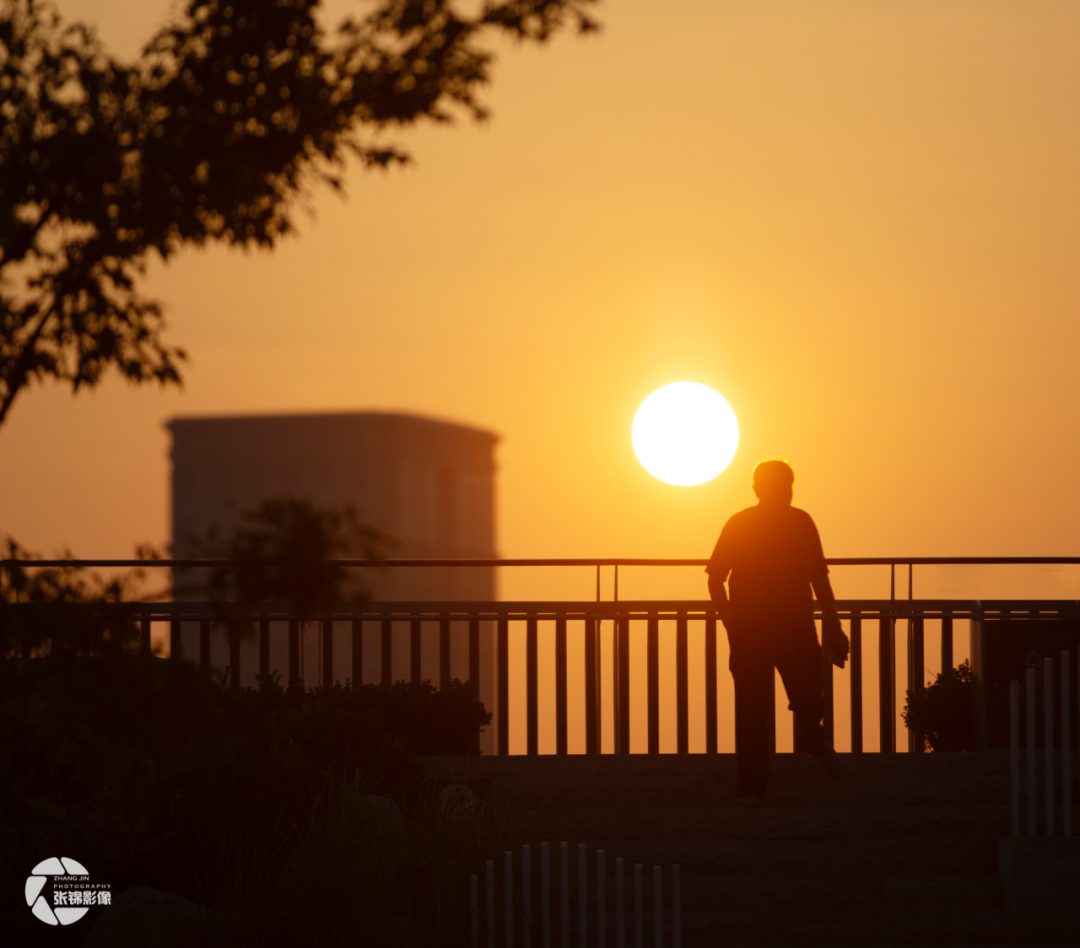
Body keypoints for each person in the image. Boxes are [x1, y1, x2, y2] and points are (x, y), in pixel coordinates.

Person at [706, 458, 849, 807]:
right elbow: (715, 577)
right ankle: (751, 789)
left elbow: (819, 578)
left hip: (795, 628)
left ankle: (811, 739)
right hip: (752, 631)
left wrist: (835, 626)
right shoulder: (739, 524)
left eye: (787, 487)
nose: (782, 493)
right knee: (752, 714)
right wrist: (731, 622)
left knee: (809, 696)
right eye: (776, 487)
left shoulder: (801, 522)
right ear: (758, 489)